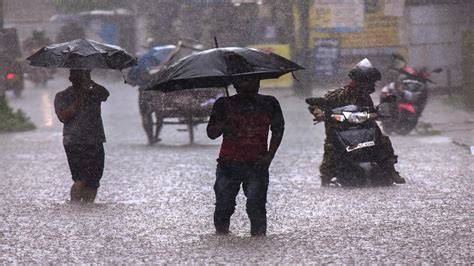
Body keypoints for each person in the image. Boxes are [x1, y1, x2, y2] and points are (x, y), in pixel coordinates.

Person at [206, 76, 285, 237]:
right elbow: (211, 133)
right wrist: (224, 123)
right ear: (235, 84)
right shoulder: (223, 104)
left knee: (256, 205)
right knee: (223, 205)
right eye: (245, 80)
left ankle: (258, 240)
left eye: (253, 81)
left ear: (259, 83)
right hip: (228, 164)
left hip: (257, 164)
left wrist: (269, 156)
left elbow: (278, 129)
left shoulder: (269, 103)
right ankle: (221, 237)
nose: (249, 84)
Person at [309, 59, 406, 186]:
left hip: (364, 128)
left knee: (383, 140)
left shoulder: (366, 97)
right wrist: (320, 113)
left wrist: (379, 113)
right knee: (331, 148)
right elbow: (318, 105)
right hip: (341, 129)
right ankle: (326, 177)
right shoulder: (338, 95)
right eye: (371, 82)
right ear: (362, 82)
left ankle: (391, 170)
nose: (373, 86)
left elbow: (372, 110)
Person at [54, 69, 110, 202]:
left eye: (85, 76)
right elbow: (62, 117)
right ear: (71, 78)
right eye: (78, 76)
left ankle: (87, 209)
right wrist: (78, 101)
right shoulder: (62, 95)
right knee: (80, 178)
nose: (81, 79)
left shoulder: (95, 93)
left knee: (94, 181)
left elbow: (106, 94)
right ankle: (75, 207)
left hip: (95, 140)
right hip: (74, 141)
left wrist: (91, 84)